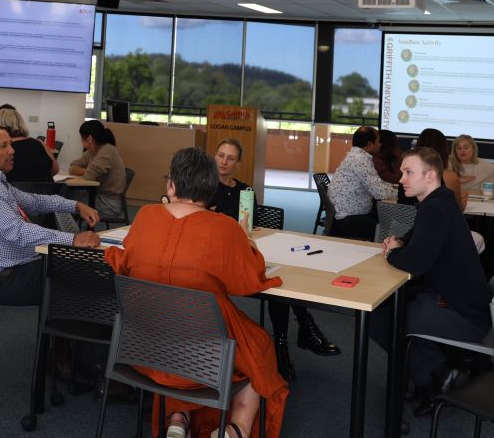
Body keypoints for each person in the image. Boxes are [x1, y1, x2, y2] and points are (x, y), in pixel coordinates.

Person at [105, 147, 288, 438]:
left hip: (145, 345)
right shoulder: (224, 228)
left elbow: (123, 262)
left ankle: (178, 419)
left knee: (179, 326)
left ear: (171, 185)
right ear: (212, 189)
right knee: (260, 349)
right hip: (206, 352)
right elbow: (248, 282)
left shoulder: (145, 216)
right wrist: (247, 243)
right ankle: (235, 428)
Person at [370, 148, 491, 417]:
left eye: (408, 172)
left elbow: (415, 263)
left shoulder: (435, 208)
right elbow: (418, 239)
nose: (401, 178)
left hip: (465, 315)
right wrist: (401, 242)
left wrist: (392, 252)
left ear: (430, 175)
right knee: (389, 314)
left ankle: (431, 377)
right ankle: (437, 373)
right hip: (461, 302)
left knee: (383, 320)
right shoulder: (440, 201)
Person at [208, 139, 338, 382]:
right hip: (220, 257)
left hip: (243, 249)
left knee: (277, 279)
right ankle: (301, 332)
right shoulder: (204, 189)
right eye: (220, 155)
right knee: (272, 279)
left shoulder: (245, 191)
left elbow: (252, 227)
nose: (224, 162)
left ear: (238, 163)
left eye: (230, 158)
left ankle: (285, 342)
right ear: (214, 156)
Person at [0, 125, 100, 306]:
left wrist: (76, 205)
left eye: (10, 144)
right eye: (4, 146)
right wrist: (72, 239)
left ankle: (65, 331)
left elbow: (35, 202)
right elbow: (17, 232)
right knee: (82, 271)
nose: (12, 151)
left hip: (16, 268)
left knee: (79, 268)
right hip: (4, 278)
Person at [326, 126, 396, 240]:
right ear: (370, 144)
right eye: (378, 141)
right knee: (391, 227)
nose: (380, 145)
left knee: (382, 216)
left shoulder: (356, 156)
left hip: (343, 215)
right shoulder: (360, 160)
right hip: (346, 221)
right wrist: (402, 193)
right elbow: (380, 193)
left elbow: (377, 184)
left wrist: (393, 188)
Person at [69, 120, 127, 219]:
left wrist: (86, 171)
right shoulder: (92, 151)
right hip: (98, 197)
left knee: (66, 201)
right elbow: (72, 167)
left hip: (108, 204)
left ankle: (72, 231)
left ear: (89, 138)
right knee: (66, 197)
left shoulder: (107, 150)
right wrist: (87, 170)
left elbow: (89, 176)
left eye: (81, 138)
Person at [0, 107, 59, 182]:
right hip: (47, 192)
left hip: (12, 193)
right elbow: (55, 170)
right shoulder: (40, 143)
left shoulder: (0, 149)